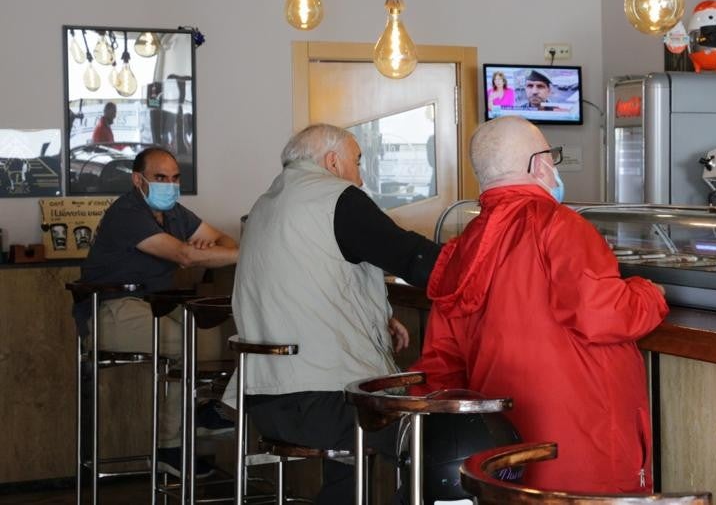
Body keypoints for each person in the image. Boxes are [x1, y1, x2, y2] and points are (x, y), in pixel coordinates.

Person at [411, 116, 669, 493]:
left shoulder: (462, 246)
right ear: (540, 164)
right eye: (553, 158)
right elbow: (603, 314)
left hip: (504, 449)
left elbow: (440, 362)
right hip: (583, 444)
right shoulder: (560, 225)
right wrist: (649, 293)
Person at [229, 123, 441, 505]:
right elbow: (413, 258)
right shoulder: (336, 197)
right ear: (332, 161)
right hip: (320, 402)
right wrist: (482, 263)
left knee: (359, 437)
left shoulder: (265, 204)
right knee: (436, 434)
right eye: (358, 163)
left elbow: (304, 284)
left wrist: (375, 313)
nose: (361, 177)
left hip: (265, 398)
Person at [74, 146, 239, 477]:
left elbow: (227, 241)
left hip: (156, 305)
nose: (170, 185)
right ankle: (172, 442)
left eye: (175, 178)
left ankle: (194, 427)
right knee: (187, 340)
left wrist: (215, 251)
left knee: (209, 332)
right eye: (160, 178)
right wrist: (207, 253)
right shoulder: (128, 213)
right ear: (138, 180)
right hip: (108, 310)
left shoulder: (176, 213)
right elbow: (186, 257)